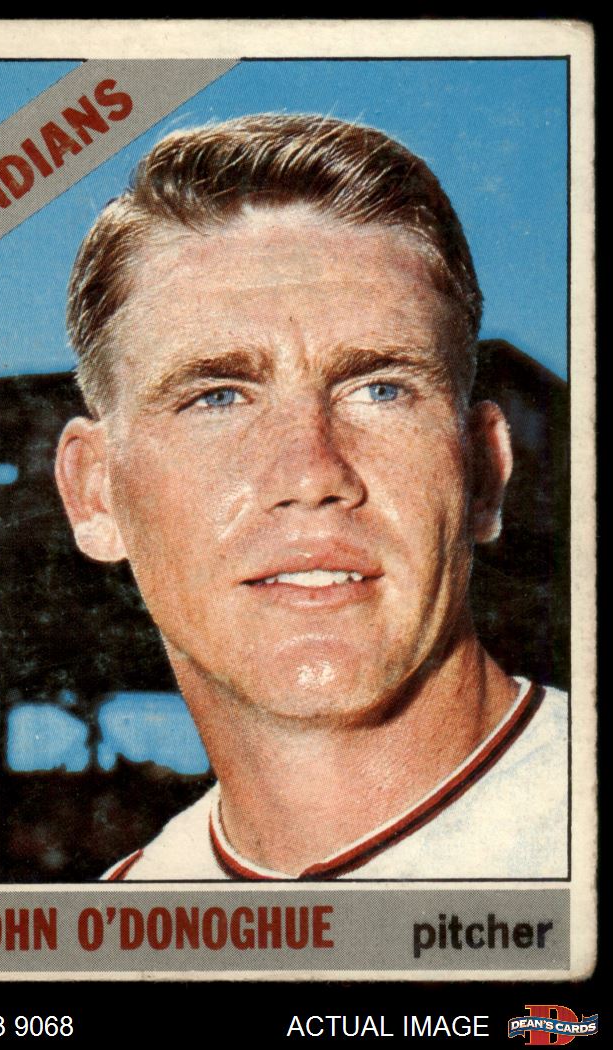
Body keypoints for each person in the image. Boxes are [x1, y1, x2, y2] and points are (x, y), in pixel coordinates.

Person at [55, 114, 567, 881]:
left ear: (485, 474)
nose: (310, 473)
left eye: (380, 389)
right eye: (217, 397)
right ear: (93, 494)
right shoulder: (113, 923)